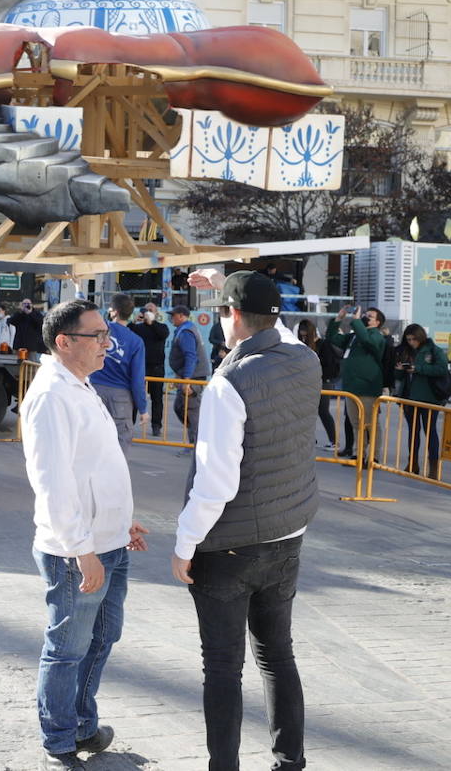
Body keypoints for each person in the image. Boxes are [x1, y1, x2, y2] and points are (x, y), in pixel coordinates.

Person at [172, 270, 320, 771]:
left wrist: (184, 543)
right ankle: (290, 760)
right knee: (278, 656)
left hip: (229, 548)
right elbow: (282, 334)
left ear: (232, 316)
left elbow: (216, 483)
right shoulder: (305, 360)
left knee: (222, 667)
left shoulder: (228, 383)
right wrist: (228, 282)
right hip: (287, 536)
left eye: (221, 309)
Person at [20, 299, 149, 767]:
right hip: (77, 549)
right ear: (64, 341)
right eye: (97, 336)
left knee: (102, 636)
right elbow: (53, 482)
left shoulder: (81, 384)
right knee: (68, 647)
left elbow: (94, 468)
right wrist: (81, 550)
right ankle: (59, 739)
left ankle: (82, 724)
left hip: (108, 539)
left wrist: (120, 520)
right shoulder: (52, 396)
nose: (107, 344)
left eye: (105, 334)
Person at [89, 293, 148, 456]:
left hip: (94, 389)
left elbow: (81, 313)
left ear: (113, 311)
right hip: (121, 398)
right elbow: (137, 379)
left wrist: (80, 289)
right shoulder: (136, 341)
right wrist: (143, 408)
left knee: (91, 438)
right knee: (120, 443)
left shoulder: (100, 330)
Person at [326, 306, 387, 459]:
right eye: (365, 314)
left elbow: (368, 340)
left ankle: (374, 455)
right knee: (356, 423)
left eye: (370, 316)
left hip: (367, 387)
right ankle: (359, 452)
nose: (365, 317)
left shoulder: (376, 336)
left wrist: (357, 321)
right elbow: (333, 338)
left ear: (377, 323)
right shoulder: (355, 335)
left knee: (370, 423)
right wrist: (339, 319)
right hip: (351, 386)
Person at [393, 323, 450, 477]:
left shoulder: (433, 350)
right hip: (409, 397)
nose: (411, 342)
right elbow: (399, 377)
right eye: (409, 339)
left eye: (414, 339)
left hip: (429, 398)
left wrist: (419, 369)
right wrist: (400, 370)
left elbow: (442, 369)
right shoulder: (406, 352)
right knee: (413, 432)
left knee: (430, 432)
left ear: (420, 337)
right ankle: (412, 463)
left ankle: (433, 468)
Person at [296, 318, 341, 452]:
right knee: (306, 411)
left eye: (305, 333)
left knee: (323, 411)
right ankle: (310, 439)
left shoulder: (323, 344)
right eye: (301, 333)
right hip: (308, 382)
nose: (303, 336)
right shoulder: (303, 345)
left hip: (323, 382)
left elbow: (329, 366)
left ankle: (334, 441)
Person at [169, 305, 210, 445]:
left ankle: (196, 445)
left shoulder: (186, 332)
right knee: (180, 407)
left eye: (173, 315)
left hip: (193, 377)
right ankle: (195, 441)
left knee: (191, 411)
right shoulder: (185, 329)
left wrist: (186, 379)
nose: (171, 318)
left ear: (181, 316)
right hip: (190, 376)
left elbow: (190, 356)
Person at [129, 301, 170, 437]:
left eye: (151, 310)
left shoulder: (161, 327)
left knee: (157, 398)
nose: (148, 312)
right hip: (139, 367)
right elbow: (127, 332)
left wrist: (152, 322)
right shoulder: (138, 328)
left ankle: (156, 426)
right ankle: (129, 425)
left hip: (156, 368)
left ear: (156, 313)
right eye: (146, 310)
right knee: (135, 397)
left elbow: (163, 334)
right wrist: (135, 321)